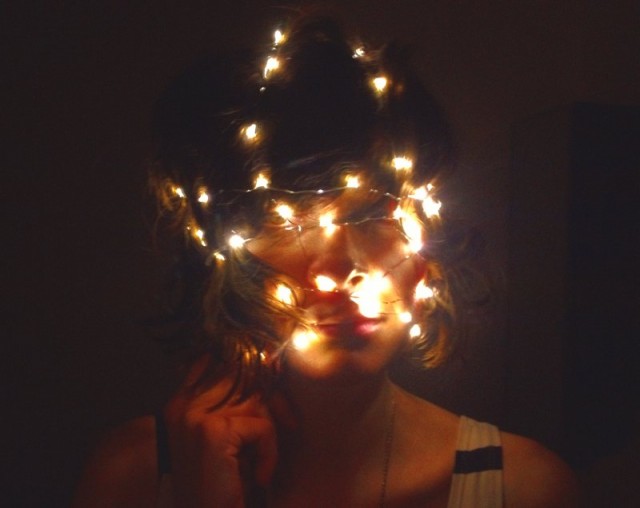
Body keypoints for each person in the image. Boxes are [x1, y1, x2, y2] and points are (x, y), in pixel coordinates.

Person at [73, 16, 580, 507]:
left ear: (426, 244)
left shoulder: (523, 489)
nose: (336, 271)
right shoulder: (132, 480)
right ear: (221, 255)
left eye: (370, 215)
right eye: (287, 223)